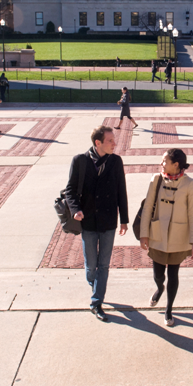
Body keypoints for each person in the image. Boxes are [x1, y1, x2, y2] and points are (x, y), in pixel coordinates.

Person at [65, 125, 129, 322]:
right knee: (91, 265)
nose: (114, 144)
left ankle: (96, 302)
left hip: (109, 220)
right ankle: (94, 283)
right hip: (89, 221)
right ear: (97, 143)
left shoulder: (116, 161)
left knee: (104, 264)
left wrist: (124, 219)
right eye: (110, 140)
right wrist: (76, 210)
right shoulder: (80, 161)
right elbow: (70, 190)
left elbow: (121, 190)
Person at [139, 149, 193, 327]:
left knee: (173, 274)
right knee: (158, 274)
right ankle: (159, 288)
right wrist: (144, 234)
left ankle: (169, 309)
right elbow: (148, 207)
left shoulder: (189, 184)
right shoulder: (156, 180)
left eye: (165, 160)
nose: (161, 163)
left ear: (176, 165)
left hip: (179, 237)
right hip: (157, 234)